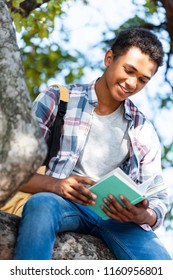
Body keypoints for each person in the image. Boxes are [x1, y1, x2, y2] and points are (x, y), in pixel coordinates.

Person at [14, 28, 172, 260]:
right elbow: (13, 172)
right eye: (129, 70)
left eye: (142, 80)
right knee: (41, 206)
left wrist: (142, 215)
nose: (131, 83)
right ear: (109, 58)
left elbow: (159, 201)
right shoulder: (58, 99)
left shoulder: (142, 129)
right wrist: (57, 185)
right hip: (60, 203)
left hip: (117, 220)